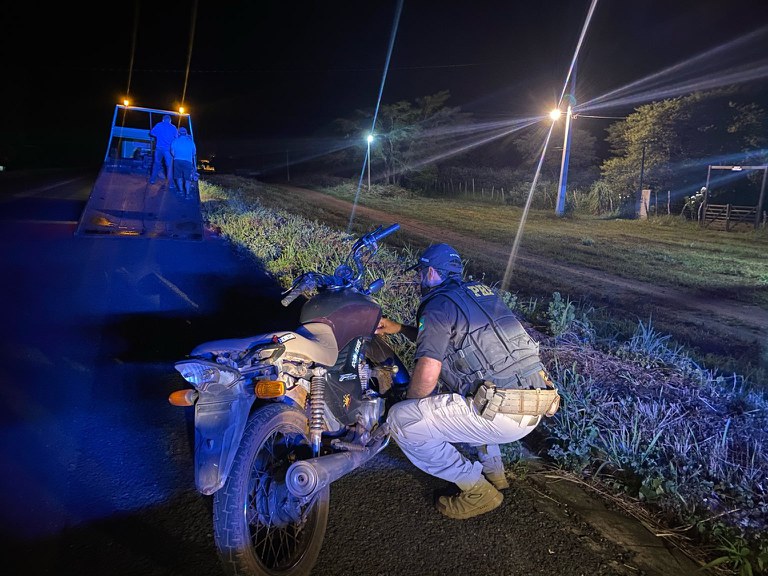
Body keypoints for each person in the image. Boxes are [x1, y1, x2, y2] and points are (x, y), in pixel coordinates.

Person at [376, 243, 559, 520]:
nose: (420, 280)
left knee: (403, 419)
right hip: (534, 407)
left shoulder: (437, 305)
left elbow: (428, 371)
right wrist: (400, 329)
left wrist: (411, 407)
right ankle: (495, 473)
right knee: (476, 389)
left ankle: (477, 490)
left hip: (501, 415)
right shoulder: (481, 295)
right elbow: (456, 344)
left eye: (423, 273)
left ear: (432, 273)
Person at [149, 114, 178, 186]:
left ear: (163, 120)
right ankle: (171, 183)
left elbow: (151, 133)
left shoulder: (158, 125)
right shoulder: (173, 127)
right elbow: (176, 137)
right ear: (170, 120)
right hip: (168, 150)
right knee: (169, 166)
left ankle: (152, 180)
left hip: (158, 148)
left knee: (156, 164)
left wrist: (158, 135)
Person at [170, 127, 197, 198]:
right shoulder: (191, 142)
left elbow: (172, 152)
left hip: (177, 161)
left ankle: (181, 191)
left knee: (178, 177)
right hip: (188, 161)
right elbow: (194, 153)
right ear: (186, 133)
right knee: (187, 179)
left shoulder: (175, 141)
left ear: (178, 133)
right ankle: (187, 195)